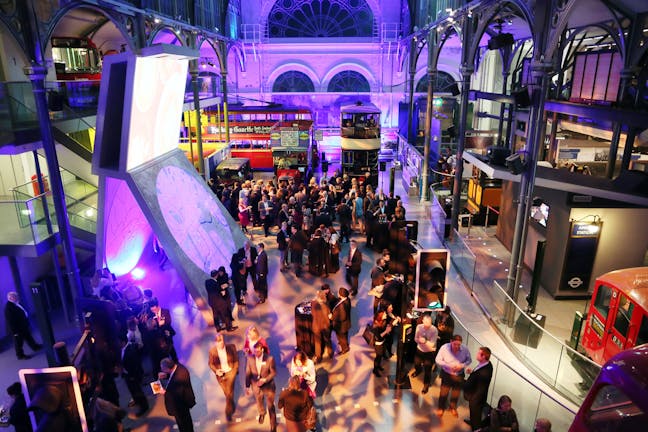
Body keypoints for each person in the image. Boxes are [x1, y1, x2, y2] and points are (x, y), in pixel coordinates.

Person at [435, 334, 472, 418]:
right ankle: (441, 408)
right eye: (455, 344)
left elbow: (469, 360)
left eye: (459, 345)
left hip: (459, 375)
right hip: (447, 374)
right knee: (444, 392)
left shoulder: (465, 349)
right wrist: (448, 365)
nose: (456, 346)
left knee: (456, 393)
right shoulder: (444, 348)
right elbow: (437, 360)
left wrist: (461, 366)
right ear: (451, 341)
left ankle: (453, 408)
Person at [245, 343, 277, 432]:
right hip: (256, 386)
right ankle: (262, 413)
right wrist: (247, 386)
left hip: (268, 385)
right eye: (254, 351)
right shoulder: (250, 358)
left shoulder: (269, 358)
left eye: (258, 351)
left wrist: (265, 380)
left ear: (262, 350)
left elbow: (273, 372)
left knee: (271, 406)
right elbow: (248, 373)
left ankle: (273, 426)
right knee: (259, 401)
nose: (256, 353)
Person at [159, 357, 196, 432]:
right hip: (184, 403)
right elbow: (173, 377)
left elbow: (177, 395)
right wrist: (166, 376)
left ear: (167, 368)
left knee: (184, 424)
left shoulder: (179, 378)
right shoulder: (179, 368)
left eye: (163, 369)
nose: (162, 370)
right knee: (186, 422)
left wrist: (165, 392)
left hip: (180, 406)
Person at [208, 333, 239, 422]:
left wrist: (234, 371)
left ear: (224, 341)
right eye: (218, 342)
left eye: (221, 341)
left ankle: (228, 413)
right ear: (215, 343)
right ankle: (231, 405)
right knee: (227, 393)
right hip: (220, 375)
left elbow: (236, 361)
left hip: (230, 373)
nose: (220, 344)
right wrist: (217, 371)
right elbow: (210, 364)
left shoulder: (231, 347)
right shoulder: (212, 351)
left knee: (229, 393)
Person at [4, 291, 43, 360]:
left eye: (16, 296)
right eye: (15, 297)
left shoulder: (15, 303)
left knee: (28, 337)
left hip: (22, 326)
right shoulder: (8, 308)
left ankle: (35, 347)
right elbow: (10, 322)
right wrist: (15, 333)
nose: (17, 298)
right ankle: (20, 355)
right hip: (17, 329)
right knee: (19, 342)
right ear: (10, 298)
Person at [464, 347, 493, 431]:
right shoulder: (487, 364)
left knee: (476, 414)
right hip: (477, 397)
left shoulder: (484, 373)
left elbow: (480, 387)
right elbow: (478, 377)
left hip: (476, 398)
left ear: (483, 356)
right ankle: (473, 422)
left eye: (478, 353)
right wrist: (472, 372)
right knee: (475, 414)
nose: (476, 354)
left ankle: (476, 428)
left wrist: (472, 399)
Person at [120, 335, 149, 417]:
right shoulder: (122, 349)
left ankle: (144, 407)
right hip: (127, 375)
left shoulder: (130, 350)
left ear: (123, 342)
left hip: (132, 375)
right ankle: (137, 401)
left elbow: (135, 365)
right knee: (132, 391)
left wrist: (132, 376)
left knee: (137, 391)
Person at [410, 314, 438, 394]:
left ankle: (426, 385)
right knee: (416, 363)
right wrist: (420, 341)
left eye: (429, 323)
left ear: (431, 322)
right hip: (420, 350)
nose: (427, 325)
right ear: (422, 321)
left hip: (430, 352)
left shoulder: (434, 330)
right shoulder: (419, 327)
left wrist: (424, 341)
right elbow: (415, 339)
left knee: (428, 369)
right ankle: (418, 370)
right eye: (425, 323)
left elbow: (432, 344)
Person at [311, 288, 332, 363]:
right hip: (325, 326)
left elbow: (312, 311)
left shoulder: (314, 304)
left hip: (316, 327)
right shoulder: (327, 304)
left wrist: (315, 298)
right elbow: (329, 314)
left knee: (317, 342)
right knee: (327, 340)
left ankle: (319, 356)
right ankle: (330, 353)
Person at [371, 309, 392, 377]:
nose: (385, 314)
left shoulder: (382, 321)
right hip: (378, 344)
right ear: (380, 316)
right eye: (384, 314)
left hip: (382, 342)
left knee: (380, 356)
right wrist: (386, 331)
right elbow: (378, 336)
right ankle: (375, 370)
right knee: (378, 357)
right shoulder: (375, 325)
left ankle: (378, 366)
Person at [331, 287, 351, 355]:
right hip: (345, 324)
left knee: (341, 337)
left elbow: (342, 317)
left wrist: (332, 317)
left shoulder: (342, 306)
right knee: (344, 336)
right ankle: (344, 343)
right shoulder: (347, 299)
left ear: (341, 295)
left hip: (341, 326)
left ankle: (345, 348)